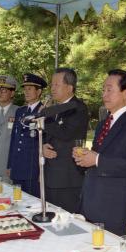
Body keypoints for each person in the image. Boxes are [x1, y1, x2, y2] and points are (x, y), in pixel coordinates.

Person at [73, 69, 126, 235]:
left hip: (113, 209)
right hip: (89, 203)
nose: (104, 94)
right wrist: (85, 158)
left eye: (109, 89)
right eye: (103, 90)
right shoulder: (104, 124)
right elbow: (98, 156)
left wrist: (97, 159)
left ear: (125, 93)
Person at [42, 68, 89, 213]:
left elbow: (66, 133)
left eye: (57, 84)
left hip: (68, 179)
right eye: (52, 85)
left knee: (66, 224)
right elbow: (45, 136)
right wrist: (42, 146)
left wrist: (42, 120)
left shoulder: (78, 108)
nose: (52, 88)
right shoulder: (55, 109)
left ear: (69, 87)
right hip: (50, 176)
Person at [7, 73, 48, 197]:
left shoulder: (45, 111)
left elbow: (46, 140)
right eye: (25, 89)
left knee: (32, 203)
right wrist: (10, 164)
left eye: (29, 89)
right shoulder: (20, 111)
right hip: (18, 166)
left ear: (39, 91)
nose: (26, 92)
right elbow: (14, 140)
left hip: (33, 168)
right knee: (18, 200)